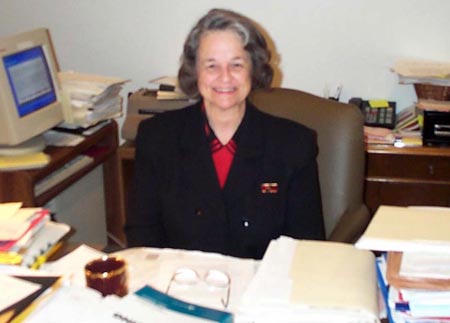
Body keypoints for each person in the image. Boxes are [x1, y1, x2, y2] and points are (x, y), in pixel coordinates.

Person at [125, 8, 325, 259]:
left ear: (253, 70)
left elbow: (306, 248)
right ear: (194, 71)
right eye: (211, 66)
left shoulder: (294, 145)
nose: (225, 77)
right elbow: (142, 236)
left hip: (261, 289)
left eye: (236, 65)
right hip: (179, 286)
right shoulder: (157, 138)